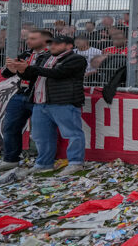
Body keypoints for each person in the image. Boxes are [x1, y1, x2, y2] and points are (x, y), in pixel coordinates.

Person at [9, 34, 87, 175]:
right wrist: (21, 70)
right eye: (51, 43)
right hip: (40, 103)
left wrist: (30, 68)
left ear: (69, 46)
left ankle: (76, 163)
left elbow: (59, 73)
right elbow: (31, 76)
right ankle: (44, 163)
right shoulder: (44, 58)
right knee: (41, 136)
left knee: (72, 134)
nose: (53, 46)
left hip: (64, 102)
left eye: (57, 44)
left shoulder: (77, 59)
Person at [0, 29, 52, 171]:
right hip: (20, 94)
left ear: (44, 41)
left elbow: (44, 74)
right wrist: (11, 69)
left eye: (32, 38)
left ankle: (43, 162)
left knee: (41, 132)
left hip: (39, 96)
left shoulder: (51, 56)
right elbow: (6, 73)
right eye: (28, 38)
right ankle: (10, 159)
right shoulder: (26, 54)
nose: (28, 41)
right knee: (10, 127)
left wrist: (22, 70)